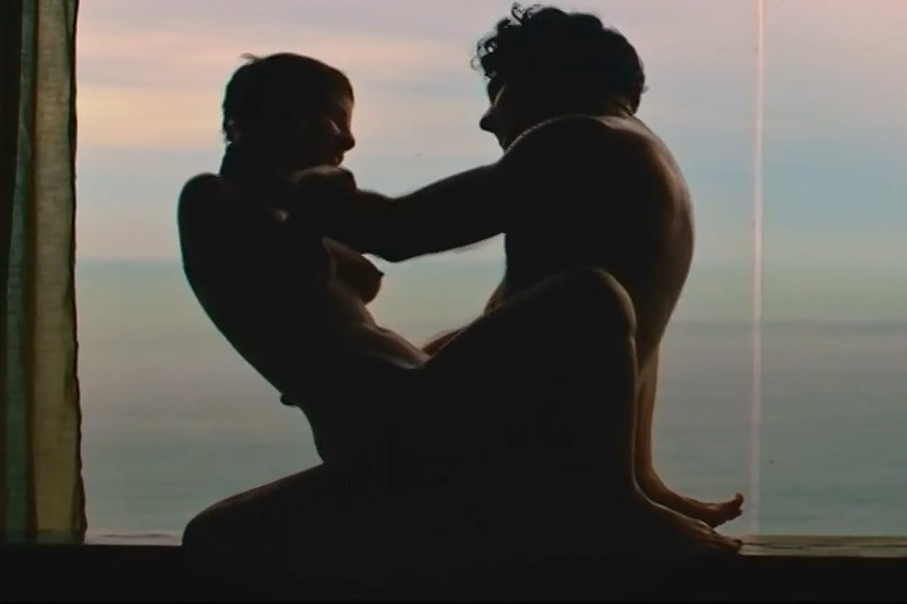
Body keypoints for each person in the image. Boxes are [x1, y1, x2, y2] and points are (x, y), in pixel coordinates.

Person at [175, 43, 734, 570]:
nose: (347, 140)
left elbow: (381, 249)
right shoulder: (213, 200)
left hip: (408, 407)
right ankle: (612, 503)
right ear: (267, 117)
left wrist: (312, 204)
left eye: (497, 93)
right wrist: (310, 206)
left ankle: (622, 494)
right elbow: (306, 282)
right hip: (394, 422)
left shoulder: (584, 138)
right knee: (590, 297)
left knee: (599, 307)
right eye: (332, 120)